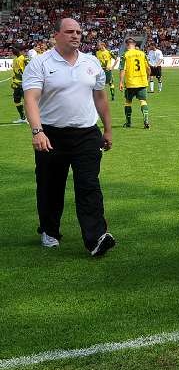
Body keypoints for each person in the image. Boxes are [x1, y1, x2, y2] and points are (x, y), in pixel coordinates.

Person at [21, 18, 115, 256]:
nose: (76, 35)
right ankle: (49, 231)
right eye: (70, 32)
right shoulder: (40, 63)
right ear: (56, 35)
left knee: (89, 185)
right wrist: (37, 130)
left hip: (86, 134)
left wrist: (107, 129)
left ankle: (96, 238)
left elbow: (100, 99)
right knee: (50, 186)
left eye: (79, 32)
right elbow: (31, 98)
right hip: (51, 135)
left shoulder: (91, 62)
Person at [119, 38, 151, 129]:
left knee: (128, 102)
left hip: (130, 83)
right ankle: (146, 121)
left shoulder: (125, 55)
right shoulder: (142, 54)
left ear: (126, 45)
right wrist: (148, 78)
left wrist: (121, 82)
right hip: (142, 82)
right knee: (143, 101)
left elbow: (122, 69)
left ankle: (128, 123)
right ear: (134, 44)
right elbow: (148, 68)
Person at [10, 46, 28, 123]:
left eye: (14, 49)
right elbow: (15, 72)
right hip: (16, 84)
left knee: (28, 101)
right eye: (12, 49)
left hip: (23, 84)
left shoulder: (23, 59)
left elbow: (24, 71)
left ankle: (32, 118)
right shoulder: (15, 59)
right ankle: (23, 118)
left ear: (19, 50)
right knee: (16, 100)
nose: (13, 50)